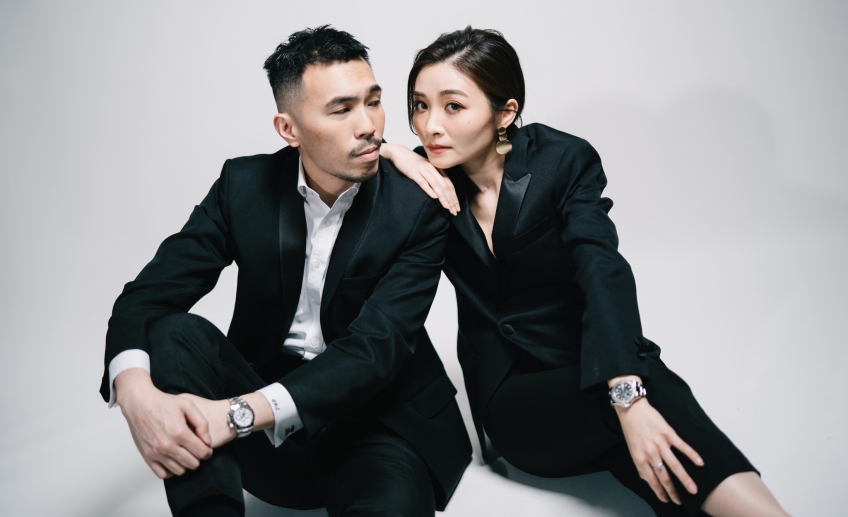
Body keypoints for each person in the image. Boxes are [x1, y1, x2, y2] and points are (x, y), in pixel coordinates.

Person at [380, 27, 790, 516]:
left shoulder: (561, 161)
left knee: (653, 445)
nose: (429, 127)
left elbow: (601, 267)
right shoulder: (419, 179)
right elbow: (331, 149)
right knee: (644, 398)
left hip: (583, 361)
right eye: (419, 106)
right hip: (513, 396)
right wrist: (389, 152)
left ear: (505, 113)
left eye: (453, 106)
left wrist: (626, 393)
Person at [100, 26, 472, 517]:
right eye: (341, 109)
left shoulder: (416, 205)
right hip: (270, 438)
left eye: (374, 102)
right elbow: (148, 296)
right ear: (288, 129)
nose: (369, 125)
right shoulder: (243, 187)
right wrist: (134, 394)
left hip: (378, 427)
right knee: (173, 333)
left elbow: (376, 349)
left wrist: (235, 415)